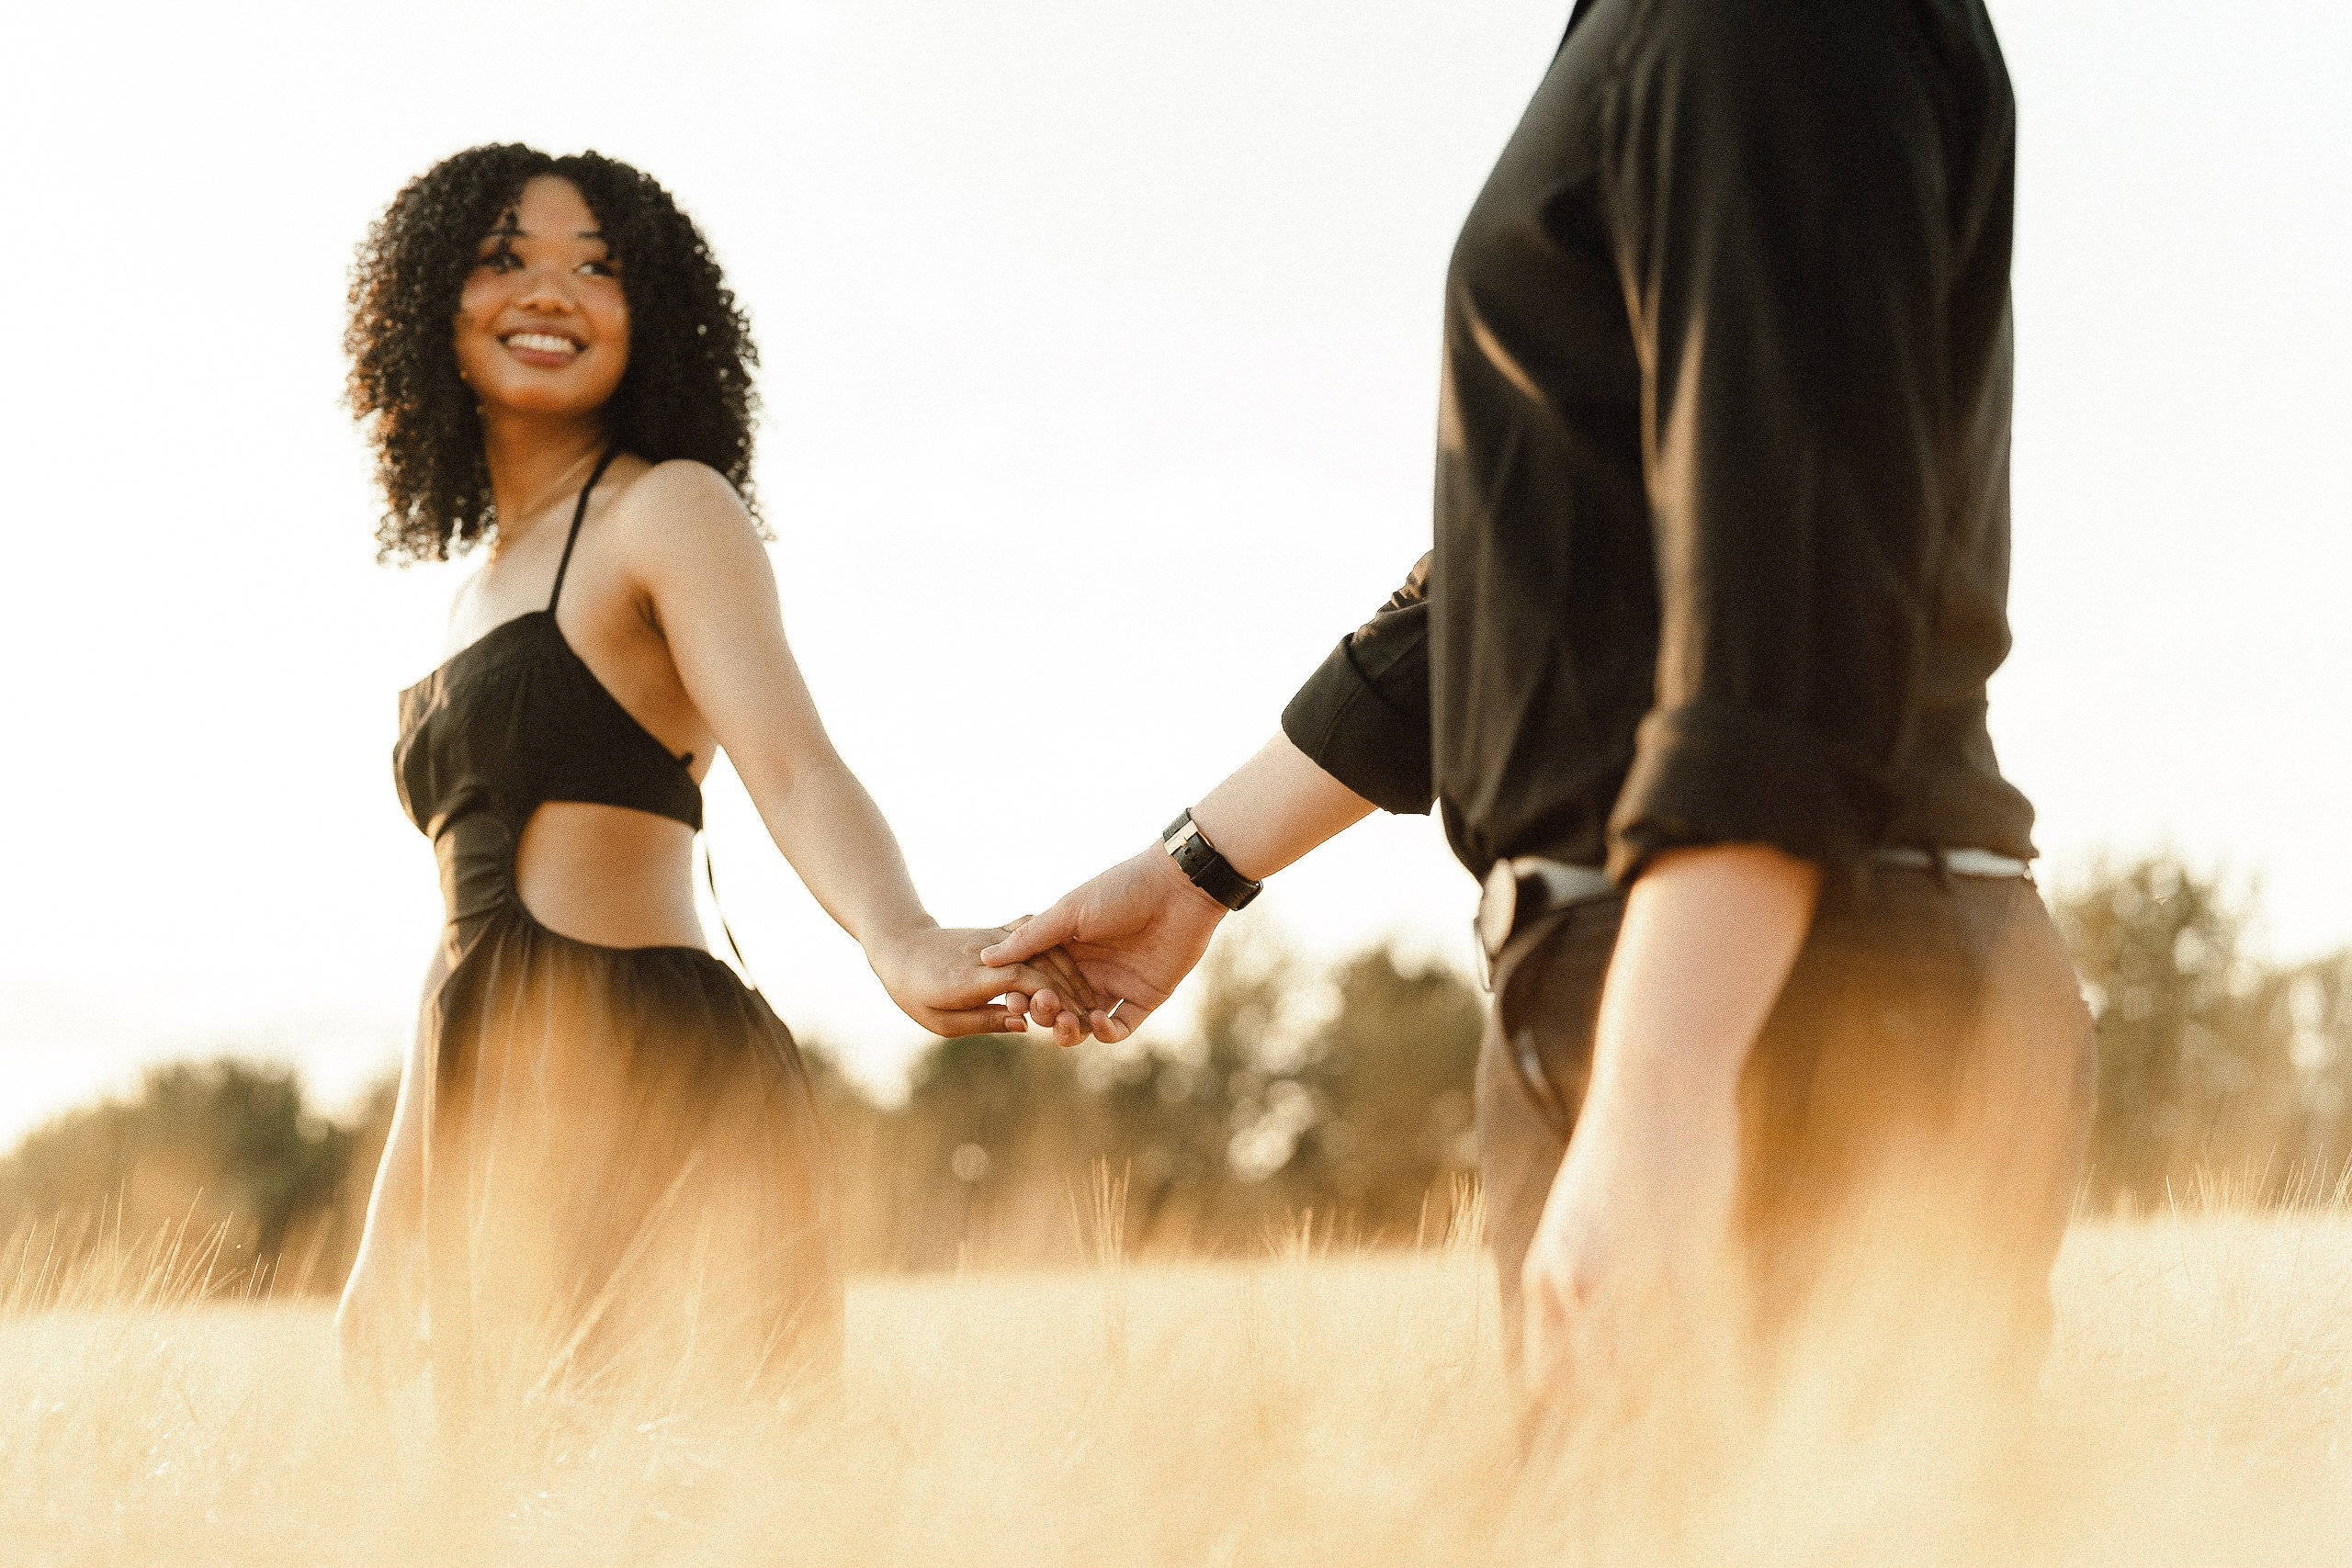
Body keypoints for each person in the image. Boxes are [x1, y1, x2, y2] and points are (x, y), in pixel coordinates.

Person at [989, 0, 2095, 1417]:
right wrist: (1200, 869)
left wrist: (1668, 1088)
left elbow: (1785, 554)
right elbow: (1539, 572)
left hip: (1782, 997)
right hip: (1727, 979)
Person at [334, 144, 1092, 1416]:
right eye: (504, 259)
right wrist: (383, 1240)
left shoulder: (669, 512)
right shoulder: (467, 595)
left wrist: (899, 937)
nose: (552, 292)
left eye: (598, 268)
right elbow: (454, 950)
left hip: (652, 1070)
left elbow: (794, 769)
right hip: (493, 1106)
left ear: (654, 314)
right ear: (426, 305)